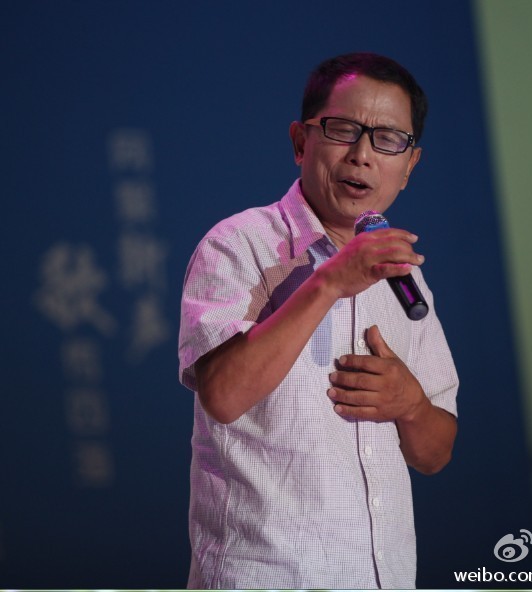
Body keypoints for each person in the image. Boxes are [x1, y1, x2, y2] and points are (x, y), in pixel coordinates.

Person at [178, 52, 459, 589]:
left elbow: (435, 454)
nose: (362, 155)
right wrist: (328, 282)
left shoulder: (406, 278)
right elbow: (223, 396)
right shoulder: (238, 245)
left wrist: (410, 404)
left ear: (410, 164)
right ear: (300, 141)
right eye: (343, 130)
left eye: (387, 139)